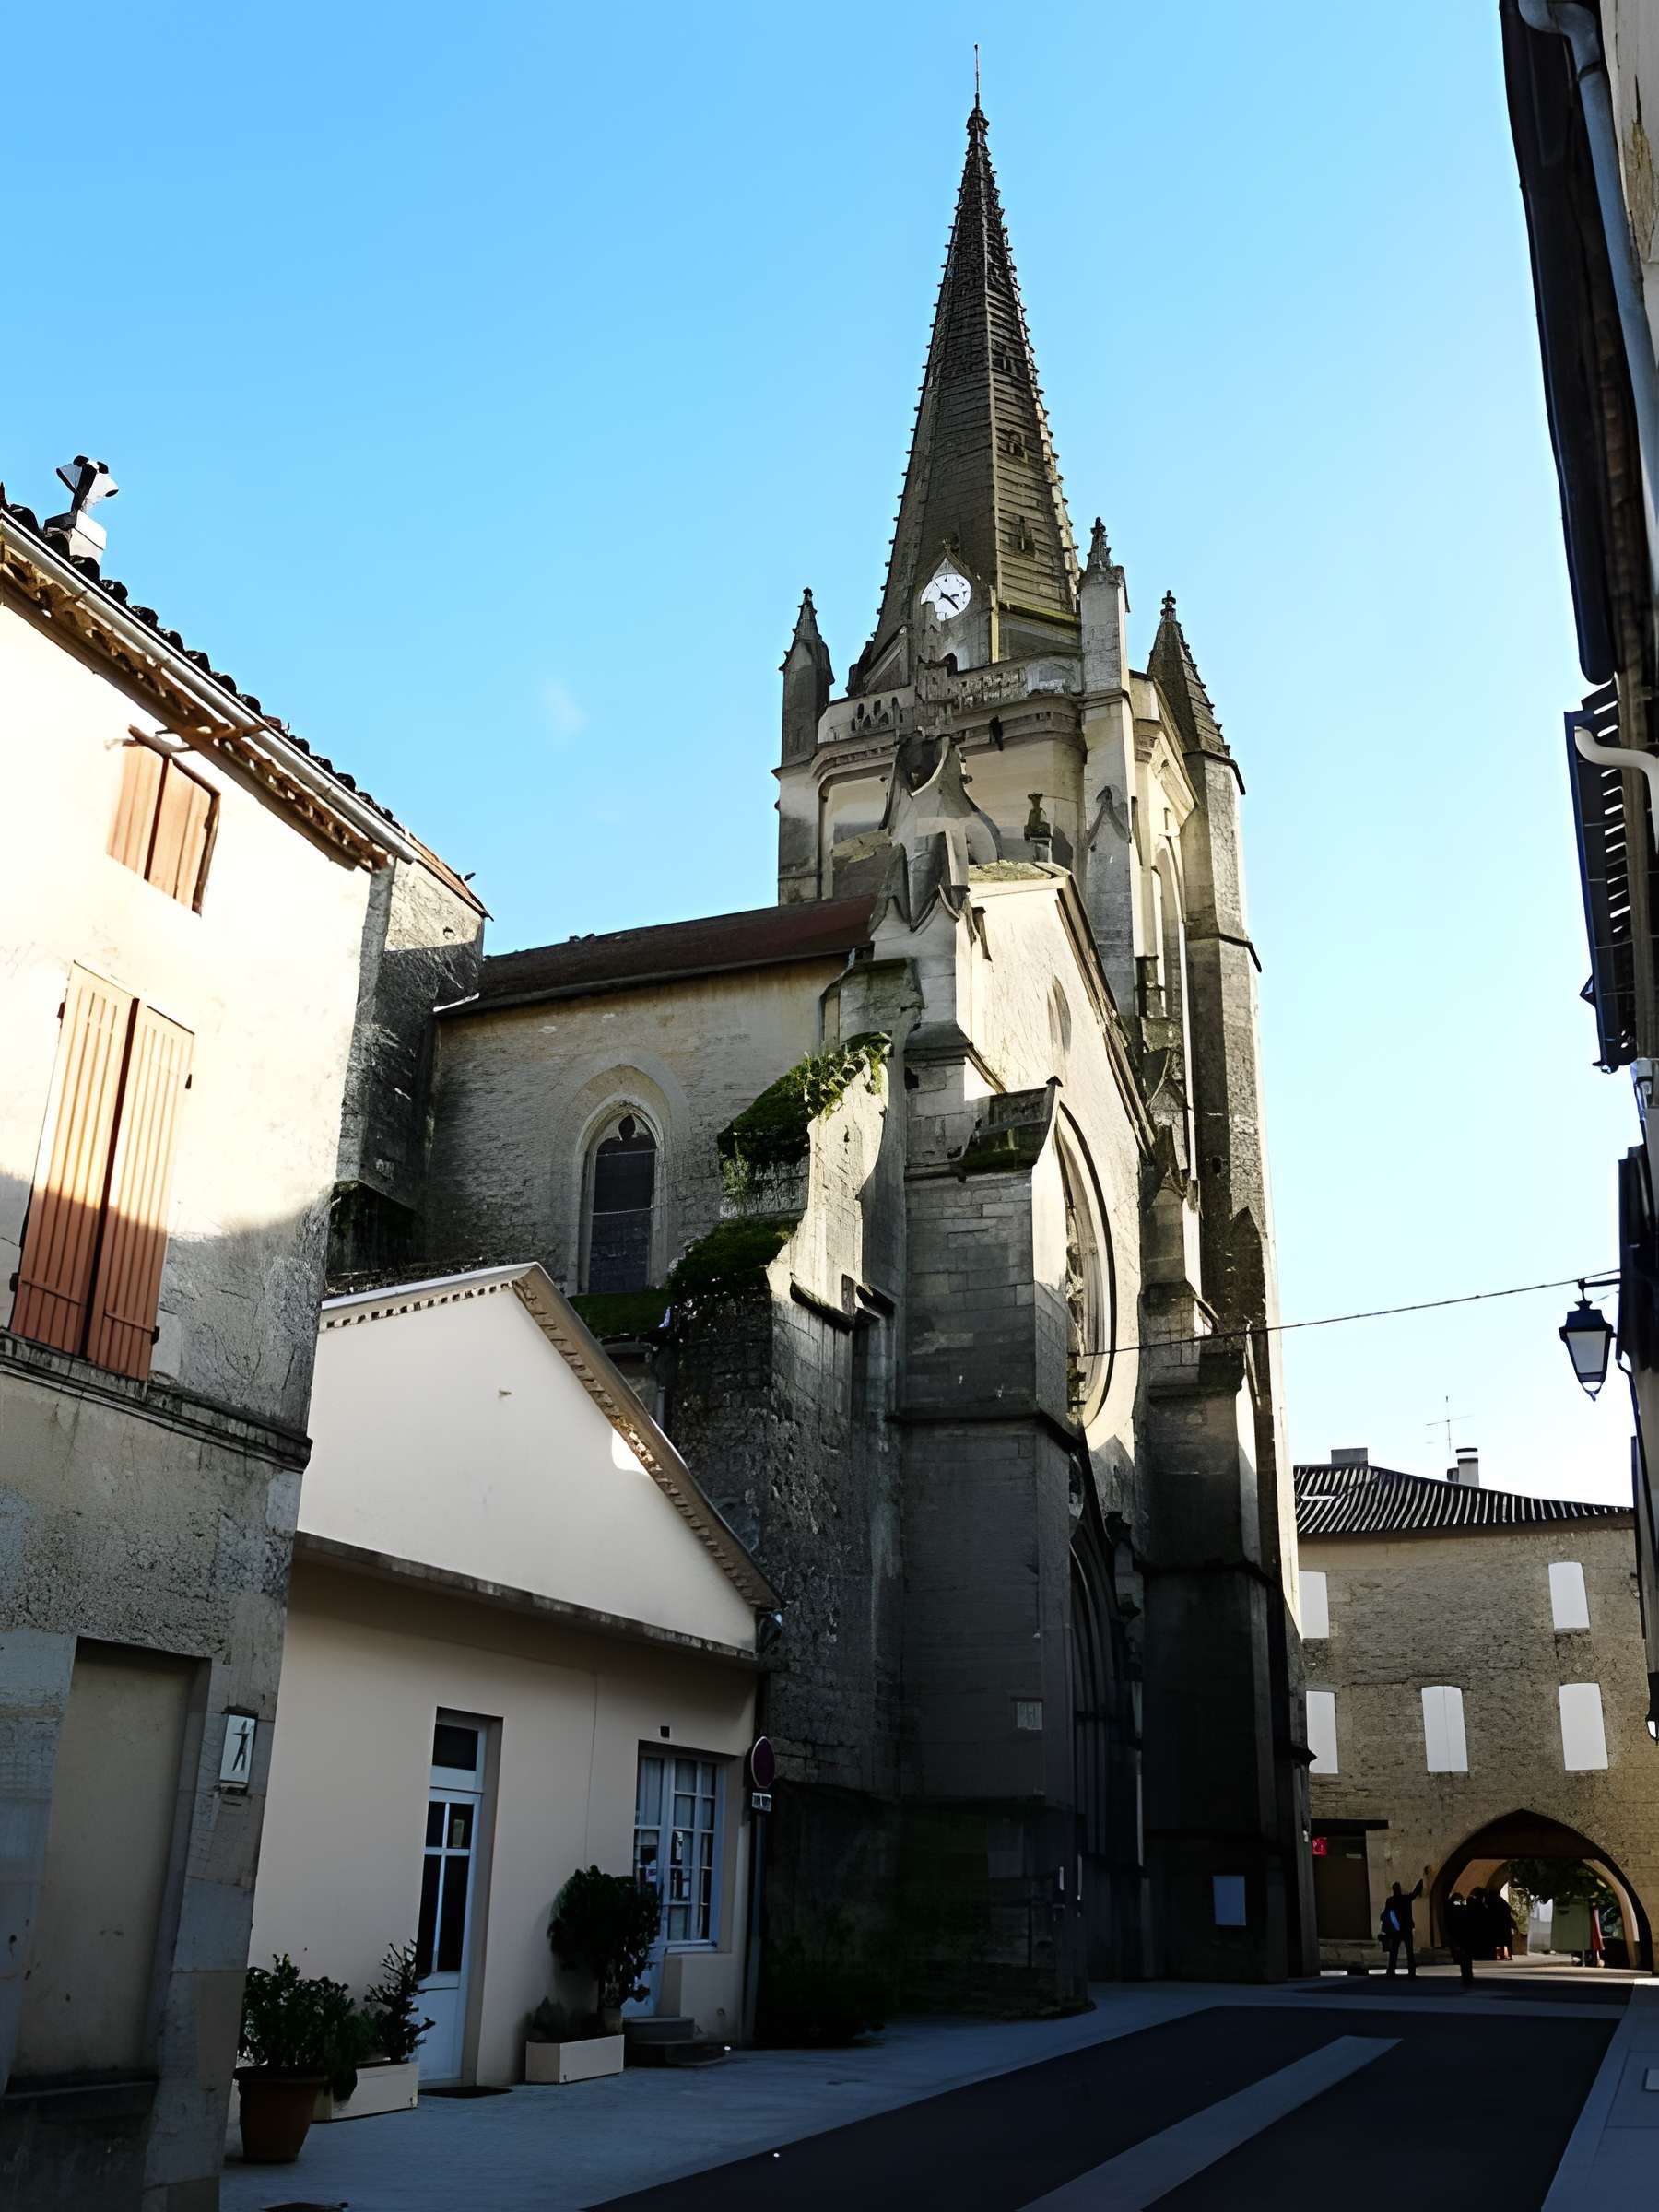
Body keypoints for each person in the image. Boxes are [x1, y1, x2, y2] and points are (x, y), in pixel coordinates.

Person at [1381, 1877, 1423, 1978]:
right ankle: (1411, 1972)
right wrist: (1420, 1883)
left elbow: (1386, 1914)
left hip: (1395, 1930)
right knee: (1409, 1952)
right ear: (1399, 1889)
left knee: (1393, 1952)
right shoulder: (1405, 1899)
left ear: (1393, 1889)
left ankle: (1391, 1971)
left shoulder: (1390, 1900)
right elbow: (1414, 1894)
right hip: (1406, 1929)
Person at [1444, 1889, 1476, 1987]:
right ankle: (1468, 1976)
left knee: (1464, 1958)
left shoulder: (1450, 1910)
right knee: (1466, 1958)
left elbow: (1448, 1923)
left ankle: (1466, 1976)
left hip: (1458, 1936)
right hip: (1464, 1935)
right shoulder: (1464, 1910)